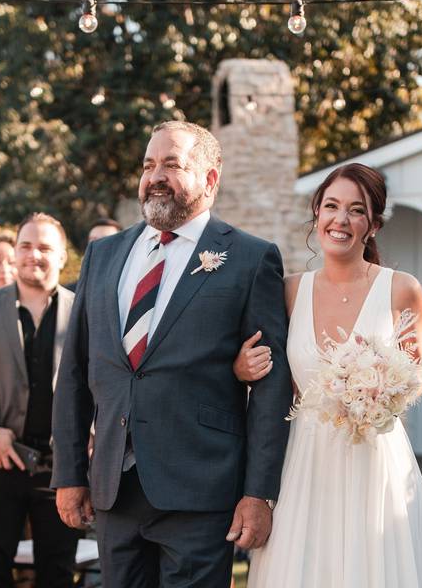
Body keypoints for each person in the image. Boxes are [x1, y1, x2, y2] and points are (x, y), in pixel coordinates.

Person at [51, 121, 294, 587]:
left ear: (210, 178)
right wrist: (69, 473)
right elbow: (76, 373)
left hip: (201, 490)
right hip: (114, 491)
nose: (155, 176)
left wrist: (259, 493)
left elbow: (271, 387)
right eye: (148, 165)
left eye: (171, 164)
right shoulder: (103, 255)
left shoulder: (248, 258)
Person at [242, 163, 422, 587]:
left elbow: (418, 370)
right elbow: (268, 376)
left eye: (356, 211)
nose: (341, 220)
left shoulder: (402, 289)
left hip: (374, 460)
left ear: (373, 225)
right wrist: (240, 368)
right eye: (332, 206)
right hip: (304, 461)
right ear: (317, 213)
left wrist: (384, 388)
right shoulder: (288, 291)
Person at [0, 212, 79, 588]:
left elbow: (102, 380)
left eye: (44, 247)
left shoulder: (84, 310)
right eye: (25, 245)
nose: (32, 254)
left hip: (62, 469)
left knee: (57, 573)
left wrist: (88, 433)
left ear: (61, 257)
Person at [65, 218, 122, 292]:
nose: (98, 246)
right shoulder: (70, 294)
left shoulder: (130, 288)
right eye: (93, 241)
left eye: (106, 240)